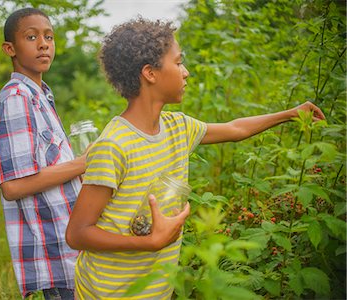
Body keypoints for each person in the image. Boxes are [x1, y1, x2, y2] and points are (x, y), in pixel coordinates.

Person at [65, 17, 325, 299]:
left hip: (156, 290)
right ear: (150, 73)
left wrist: (289, 114)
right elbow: (77, 233)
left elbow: (235, 128)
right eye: (178, 63)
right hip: (108, 292)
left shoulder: (179, 127)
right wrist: (151, 243)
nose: (186, 72)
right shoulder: (114, 145)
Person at [0, 7, 85, 299]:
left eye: (49, 37)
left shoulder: (41, 95)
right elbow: (13, 186)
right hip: (56, 247)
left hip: (72, 242)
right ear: (10, 48)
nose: (43, 44)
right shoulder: (17, 98)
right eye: (31, 37)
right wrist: (84, 163)